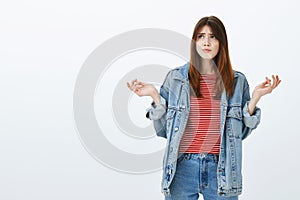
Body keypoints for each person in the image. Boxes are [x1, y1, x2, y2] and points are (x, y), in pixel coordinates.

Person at [127, 16, 281, 200]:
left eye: (213, 37)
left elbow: (241, 133)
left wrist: (254, 99)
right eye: (200, 36)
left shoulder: (237, 82)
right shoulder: (176, 79)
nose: (206, 42)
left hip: (221, 170)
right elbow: (163, 131)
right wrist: (154, 96)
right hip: (182, 168)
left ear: (221, 42)